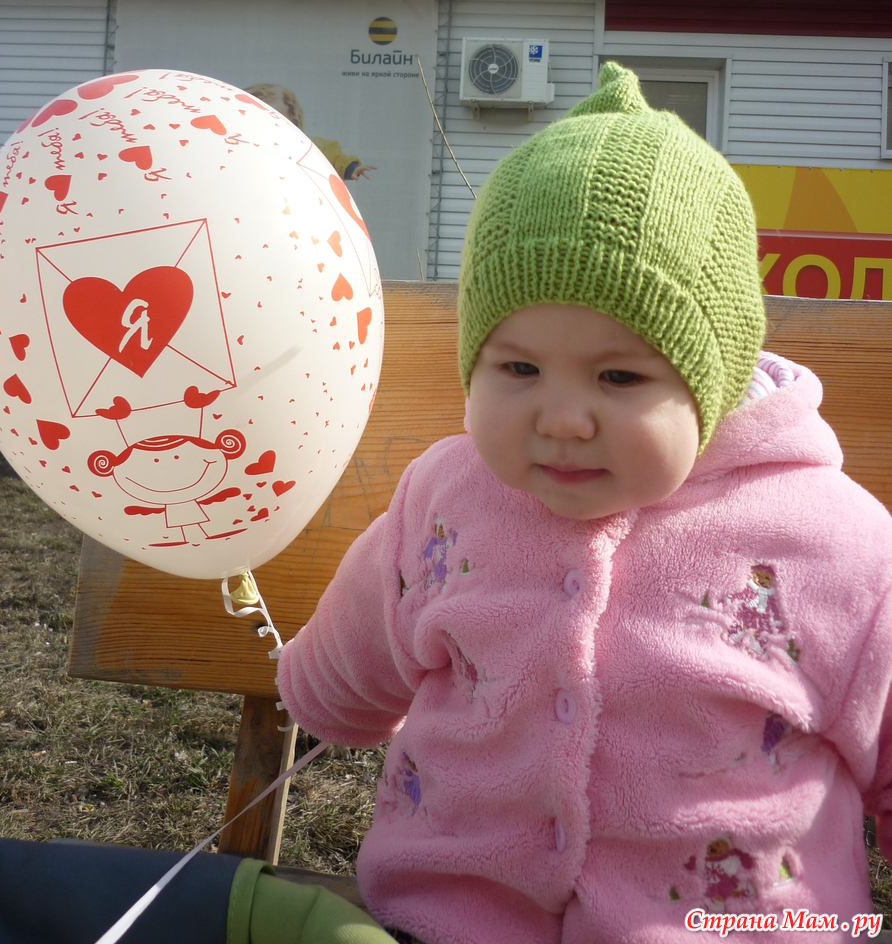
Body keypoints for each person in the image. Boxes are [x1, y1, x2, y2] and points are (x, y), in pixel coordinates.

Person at [276, 63, 892, 943]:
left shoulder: (834, 544)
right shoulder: (446, 499)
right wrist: (316, 694)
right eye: (520, 368)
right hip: (447, 921)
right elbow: (348, 667)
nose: (562, 418)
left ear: (712, 382)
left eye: (619, 377)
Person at [244, 83, 376, 181]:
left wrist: (350, 169)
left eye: (277, 120)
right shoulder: (243, 146)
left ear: (294, 122)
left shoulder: (305, 147)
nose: (269, 127)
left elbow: (333, 158)